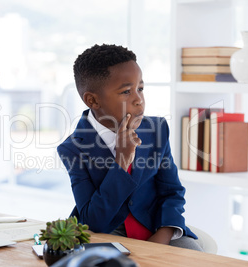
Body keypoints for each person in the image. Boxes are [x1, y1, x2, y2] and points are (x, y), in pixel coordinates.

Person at [57, 44, 202, 251]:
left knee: (195, 257)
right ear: (93, 100)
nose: (138, 99)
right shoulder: (73, 149)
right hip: (107, 235)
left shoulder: (157, 129)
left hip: (158, 229)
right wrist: (121, 162)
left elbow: (172, 192)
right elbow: (93, 220)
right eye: (126, 91)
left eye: (140, 88)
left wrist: (161, 237)